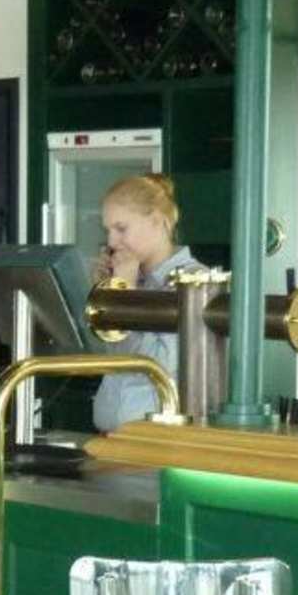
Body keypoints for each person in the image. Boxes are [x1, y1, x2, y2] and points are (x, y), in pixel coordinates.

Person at [90, 173, 196, 432]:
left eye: (121, 229)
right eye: (108, 230)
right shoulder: (129, 278)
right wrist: (102, 296)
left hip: (159, 440)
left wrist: (126, 300)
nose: (112, 241)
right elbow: (99, 354)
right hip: (112, 437)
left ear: (157, 222)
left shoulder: (192, 283)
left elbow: (160, 366)